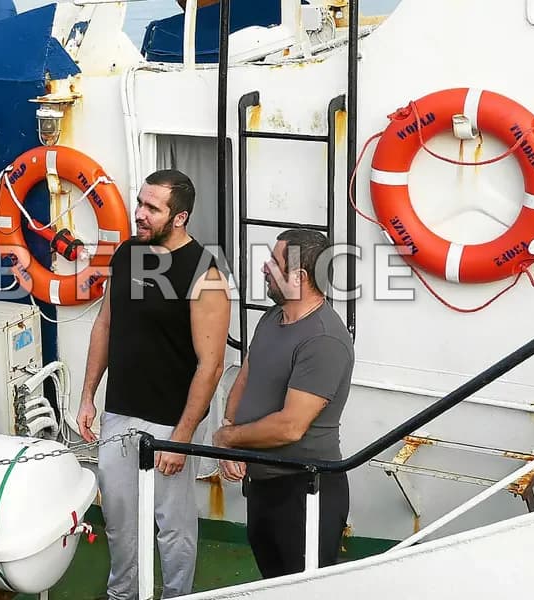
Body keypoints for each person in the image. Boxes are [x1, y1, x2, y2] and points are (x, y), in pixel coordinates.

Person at [76, 169, 230, 599]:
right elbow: (106, 324)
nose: (139, 214)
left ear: (179, 217)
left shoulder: (205, 273)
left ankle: (177, 595)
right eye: (139, 203)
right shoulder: (127, 253)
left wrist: (181, 437)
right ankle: (122, 594)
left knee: (172, 524)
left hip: (169, 421)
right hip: (118, 412)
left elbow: (212, 365)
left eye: (152, 208)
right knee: (121, 520)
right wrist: (88, 396)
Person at [213, 229, 353, 579]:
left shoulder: (323, 339)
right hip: (263, 487)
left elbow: (291, 425)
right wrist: (231, 432)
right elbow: (247, 376)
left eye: (274, 262)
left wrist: (228, 439)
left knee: (302, 589)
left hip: (305, 492)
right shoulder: (272, 318)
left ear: (300, 277)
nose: (264, 267)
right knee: (272, 583)